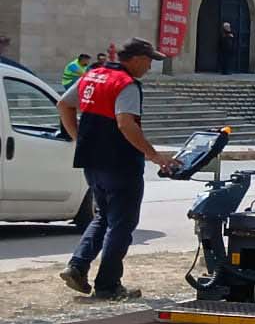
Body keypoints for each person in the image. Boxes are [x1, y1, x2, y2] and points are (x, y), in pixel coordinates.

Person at [58, 38, 173, 300]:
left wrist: (79, 138)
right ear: (136, 59)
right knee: (121, 224)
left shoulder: (93, 75)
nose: (149, 67)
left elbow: (63, 104)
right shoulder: (126, 84)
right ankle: (108, 286)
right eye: (148, 61)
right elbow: (125, 123)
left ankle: (77, 266)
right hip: (120, 163)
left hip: (91, 161)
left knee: (103, 217)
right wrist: (154, 155)